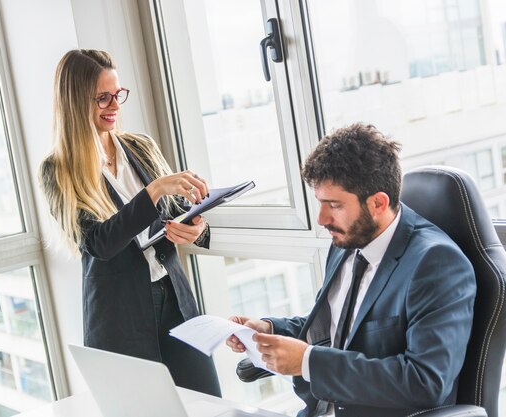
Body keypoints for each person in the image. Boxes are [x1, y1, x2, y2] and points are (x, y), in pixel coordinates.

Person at [226, 123, 476, 416]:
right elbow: (340, 326)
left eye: (334, 205)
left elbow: (425, 381)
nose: (322, 218)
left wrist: (309, 361)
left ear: (378, 203)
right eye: (320, 202)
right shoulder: (348, 241)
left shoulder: (437, 264)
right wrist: (269, 329)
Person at [39, 49, 220, 397]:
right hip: (119, 317)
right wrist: (152, 191)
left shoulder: (140, 147)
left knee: (207, 403)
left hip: (174, 298)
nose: (114, 106)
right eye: (102, 98)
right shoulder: (58, 170)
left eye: (117, 94)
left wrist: (198, 229)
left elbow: (179, 208)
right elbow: (98, 243)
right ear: (75, 102)